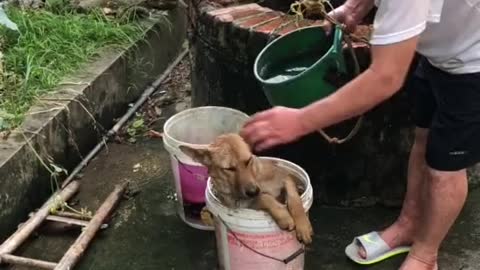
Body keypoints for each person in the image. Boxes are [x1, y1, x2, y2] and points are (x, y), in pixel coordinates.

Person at [240, 0, 480, 269]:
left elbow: (386, 77)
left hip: (473, 65)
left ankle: (426, 255)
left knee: (445, 169)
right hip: (443, 52)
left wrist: (299, 120)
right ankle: (408, 225)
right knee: (423, 140)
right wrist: (354, 8)